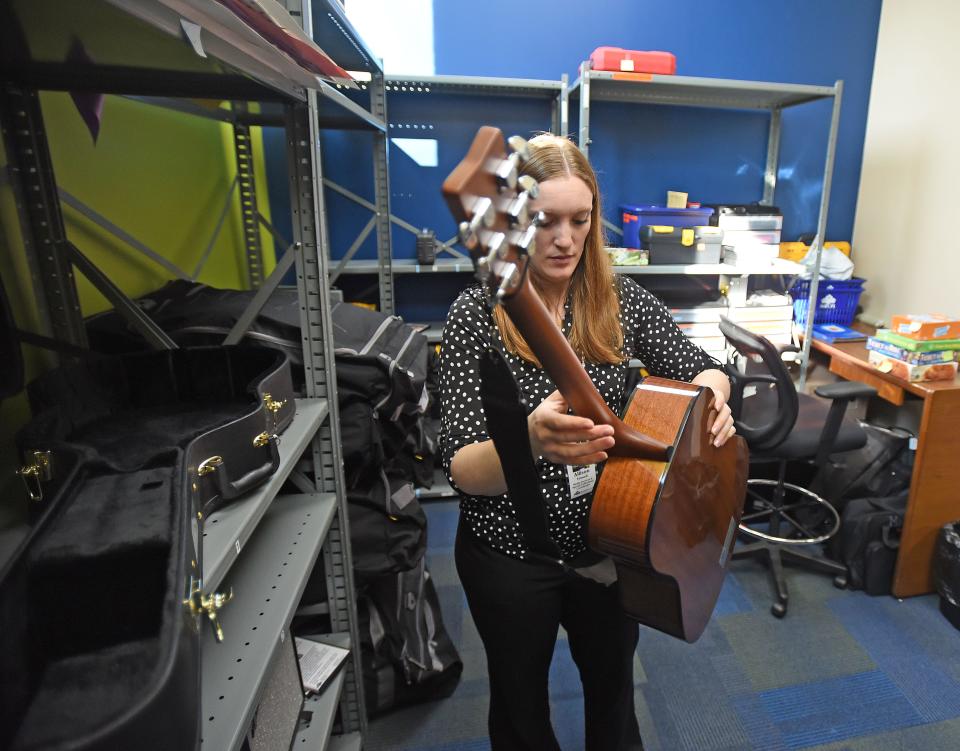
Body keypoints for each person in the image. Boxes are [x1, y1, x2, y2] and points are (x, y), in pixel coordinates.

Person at [438, 133, 736, 751]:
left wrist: (713, 405)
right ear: (512, 222)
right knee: (520, 709)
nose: (566, 240)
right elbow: (463, 468)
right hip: (510, 555)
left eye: (581, 219)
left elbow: (705, 367)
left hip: (612, 546)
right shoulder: (474, 314)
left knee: (614, 695)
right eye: (545, 221)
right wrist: (529, 442)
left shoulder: (620, 300)